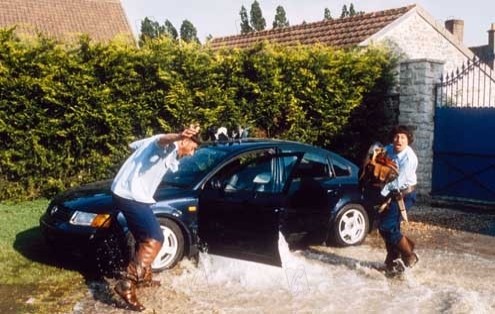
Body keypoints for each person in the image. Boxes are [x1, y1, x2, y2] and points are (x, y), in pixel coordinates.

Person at [111, 124, 200, 311]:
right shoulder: (166, 145)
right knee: (155, 238)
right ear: (185, 140)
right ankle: (126, 284)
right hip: (131, 195)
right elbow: (162, 140)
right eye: (193, 148)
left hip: (126, 192)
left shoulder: (156, 145)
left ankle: (143, 277)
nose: (192, 154)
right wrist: (177, 136)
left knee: (143, 236)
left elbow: (133, 145)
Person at [362, 125, 419, 273]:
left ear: (408, 140)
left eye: (403, 137)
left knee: (386, 227)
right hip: (390, 193)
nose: (398, 140)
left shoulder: (410, 158)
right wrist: (373, 155)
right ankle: (393, 260)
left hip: (404, 195)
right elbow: (377, 151)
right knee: (393, 227)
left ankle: (409, 254)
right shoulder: (389, 148)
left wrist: (381, 193)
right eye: (396, 136)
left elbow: (398, 183)